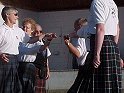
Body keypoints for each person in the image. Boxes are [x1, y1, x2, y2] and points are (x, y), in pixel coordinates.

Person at [0, 6, 53, 93]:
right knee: (4, 87)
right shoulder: (1, 30)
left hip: (15, 60)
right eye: (15, 14)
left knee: (14, 88)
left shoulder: (18, 31)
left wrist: (45, 35)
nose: (17, 17)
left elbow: (31, 40)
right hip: (3, 61)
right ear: (7, 15)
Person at [76, 0, 122, 92]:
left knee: (95, 82)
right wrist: (115, 49)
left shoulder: (97, 2)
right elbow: (117, 29)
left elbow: (100, 29)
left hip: (101, 45)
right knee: (110, 83)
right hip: (112, 44)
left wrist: (97, 54)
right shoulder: (112, 3)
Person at [18, 19, 55, 93]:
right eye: (23, 27)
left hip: (29, 66)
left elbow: (43, 48)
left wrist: (48, 40)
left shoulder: (36, 41)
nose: (24, 29)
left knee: (29, 89)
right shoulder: (18, 39)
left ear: (32, 30)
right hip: (18, 66)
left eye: (27, 28)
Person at [64, 18, 89, 93]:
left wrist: (68, 43)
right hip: (89, 65)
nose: (74, 30)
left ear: (81, 27)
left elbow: (78, 54)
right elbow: (72, 52)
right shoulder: (88, 36)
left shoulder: (80, 39)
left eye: (76, 28)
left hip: (85, 67)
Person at [33, 24, 51, 93]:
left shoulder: (44, 42)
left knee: (41, 91)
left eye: (40, 32)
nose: (38, 33)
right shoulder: (31, 42)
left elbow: (46, 57)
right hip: (35, 69)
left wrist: (48, 70)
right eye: (36, 31)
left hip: (43, 70)